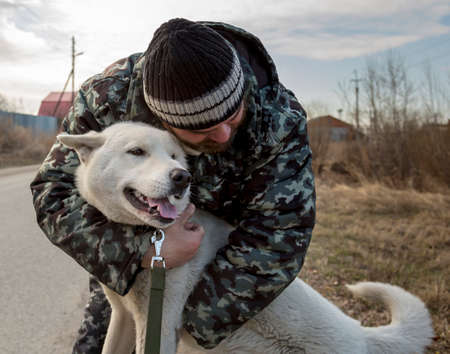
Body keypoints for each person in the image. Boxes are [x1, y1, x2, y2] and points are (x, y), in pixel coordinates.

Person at [30, 18, 316, 353]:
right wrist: (142, 252)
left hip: (226, 261)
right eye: (203, 128)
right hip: (125, 250)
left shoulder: (278, 119)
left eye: (233, 115)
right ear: (161, 118)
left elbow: (279, 238)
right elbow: (54, 193)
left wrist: (180, 326)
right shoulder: (108, 97)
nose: (223, 135)